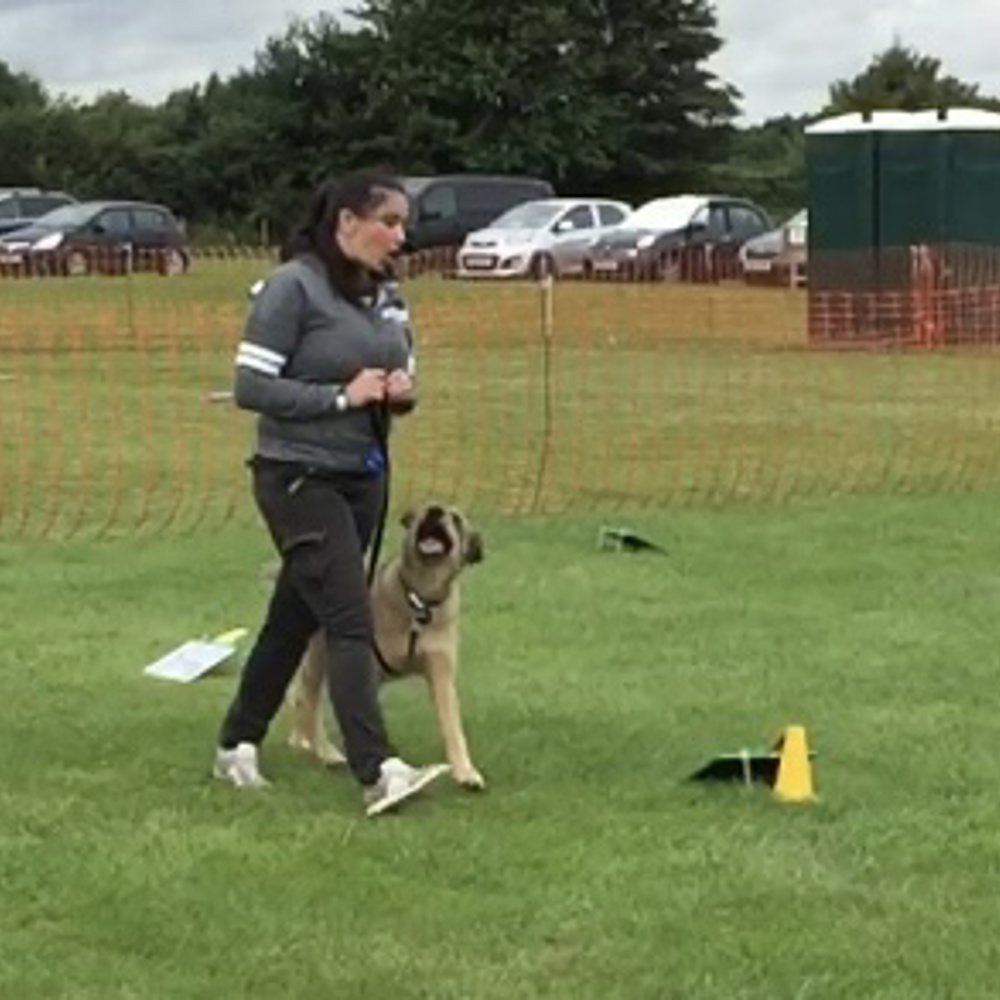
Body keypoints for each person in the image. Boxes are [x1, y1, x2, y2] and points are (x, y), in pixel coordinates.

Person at [212, 168, 447, 817]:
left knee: (296, 616)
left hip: (362, 474)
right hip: (296, 475)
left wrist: (400, 393)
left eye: (405, 223)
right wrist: (342, 396)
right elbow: (250, 388)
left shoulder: (388, 296)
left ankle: (236, 743)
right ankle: (379, 770)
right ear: (347, 223)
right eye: (389, 222)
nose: (401, 235)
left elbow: (404, 376)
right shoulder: (292, 289)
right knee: (349, 614)